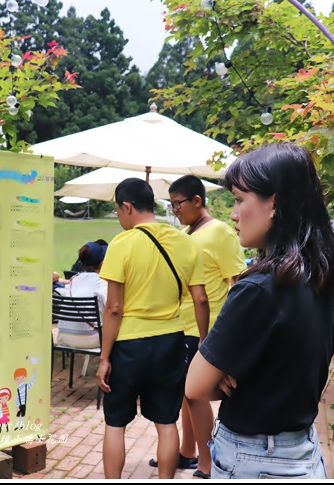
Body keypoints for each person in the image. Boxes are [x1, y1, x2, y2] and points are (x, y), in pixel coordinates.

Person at [185, 143, 334, 479]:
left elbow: (196, 386)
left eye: (240, 199)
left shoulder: (258, 289)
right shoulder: (317, 276)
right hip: (302, 454)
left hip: (253, 459)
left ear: (272, 202)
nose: (232, 213)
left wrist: (227, 373)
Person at [97, 178, 210, 479]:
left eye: (118, 210)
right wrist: (204, 341)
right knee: (166, 423)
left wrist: (105, 357)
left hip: (129, 346)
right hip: (171, 342)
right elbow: (200, 298)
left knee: (115, 423)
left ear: (127, 206)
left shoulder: (122, 244)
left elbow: (114, 308)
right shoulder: (185, 242)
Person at [148, 174, 247, 478]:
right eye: (172, 204)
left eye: (178, 204)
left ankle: (206, 463)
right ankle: (186, 452)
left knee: (196, 396)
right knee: (186, 395)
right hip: (185, 325)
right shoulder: (188, 233)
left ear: (197, 201)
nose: (175, 210)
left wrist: (228, 332)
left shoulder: (220, 232)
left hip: (208, 329)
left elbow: (239, 282)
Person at [55, 241, 108, 349]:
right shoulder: (103, 283)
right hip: (92, 339)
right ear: (102, 263)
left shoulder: (73, 281)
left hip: (64, 337)